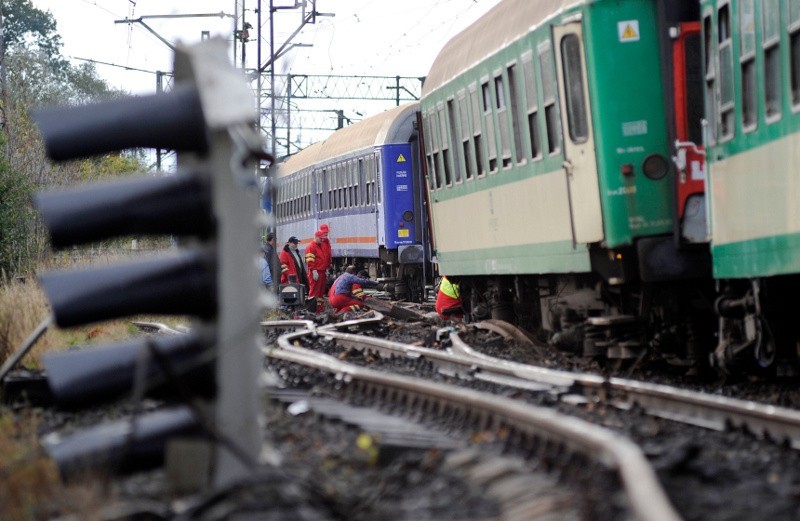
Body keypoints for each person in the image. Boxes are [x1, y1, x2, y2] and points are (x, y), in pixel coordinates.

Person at [305, 231, 329, 312]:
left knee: (320, 293)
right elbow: (310, 260)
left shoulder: (320, 245)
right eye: (320, 238)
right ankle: (311, 310)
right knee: (314, 292)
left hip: (321, 272)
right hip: (316, 272)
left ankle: (319, 309)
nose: (322, 240)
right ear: (316, 237)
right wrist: (314, 270)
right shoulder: (311, 247)